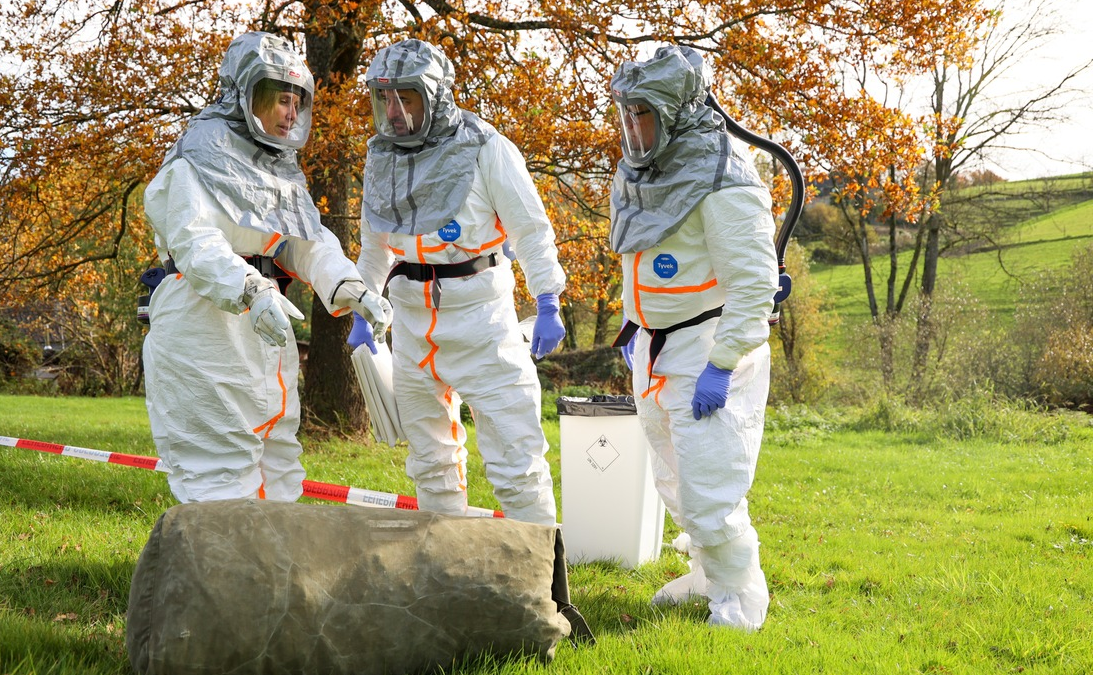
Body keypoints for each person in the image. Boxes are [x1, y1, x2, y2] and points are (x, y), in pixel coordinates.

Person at [141, 31, 391, 503]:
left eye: (297, 99)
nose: (290, 112)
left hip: (263, 333)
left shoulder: (277, 170)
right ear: (242, 93)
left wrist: (354, 288)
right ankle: (217, 577)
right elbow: (197, 244)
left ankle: (275, 576)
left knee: (279, 467)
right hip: (204, 330)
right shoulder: (196, 158)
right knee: (217, 475)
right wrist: (251, 290)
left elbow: (305, 243)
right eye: (278, 98)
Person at [349, 39, 567, 526]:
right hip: (410, 322)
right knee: (430, 461)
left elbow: (530, 227)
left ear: (434, 95)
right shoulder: (380, 157)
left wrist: (547, 297)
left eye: (405, 96)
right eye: (384, 97)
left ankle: (540, 582)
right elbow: (376, 247)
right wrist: (366, 307)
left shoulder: (485, 146)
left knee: (516, 455)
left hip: (481, 319)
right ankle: (445, 569)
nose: (394, 110)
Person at [608, 45, 779, 630]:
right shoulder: (644, 170)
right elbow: (650, 261)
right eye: (626, 114)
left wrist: (723, 363)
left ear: (676, 110)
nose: (633, 128)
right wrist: (635, 323)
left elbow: (755, 286)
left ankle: (741, 593)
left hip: (706, 347)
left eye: (643, 113)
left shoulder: (724, 176)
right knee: (674, 477)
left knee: (710, 480)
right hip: (655, 347)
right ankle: (709, 575)